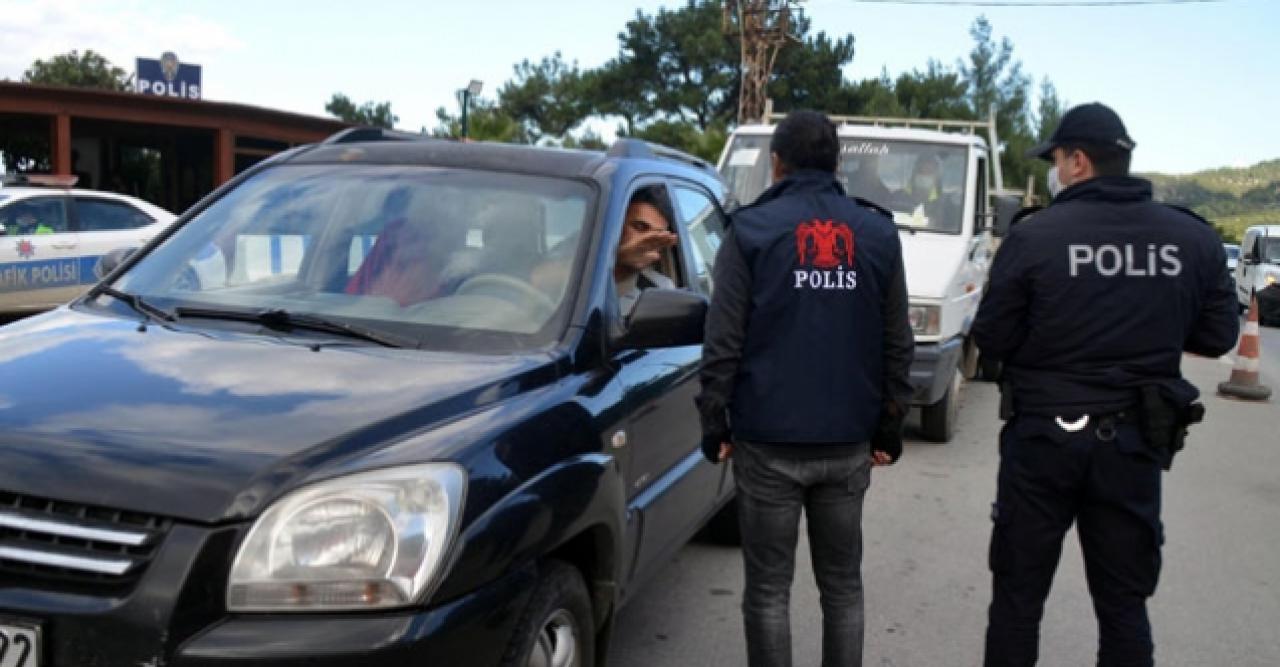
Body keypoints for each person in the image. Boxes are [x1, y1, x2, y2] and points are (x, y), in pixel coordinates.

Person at [973, 102, 1240, 667]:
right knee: (1124, 606)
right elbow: (1218, 335)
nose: (1053, 169)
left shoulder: (1037, 236)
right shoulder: (1190, 239)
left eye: (1055, 158)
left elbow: (993, 339)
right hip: (1135, 442)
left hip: (1043, 439)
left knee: (1018, 601)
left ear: (1077, 161)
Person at [696, 110, 914, 667]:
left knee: (768, 589)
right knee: (843, 586)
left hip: (767, 442)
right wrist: (889, 424)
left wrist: (714, 419)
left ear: (776, 164)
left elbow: (724, 340)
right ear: (837, 162)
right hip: (847, 442)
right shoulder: (876, 233)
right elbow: (897, 341)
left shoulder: (750, 231)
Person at [615, 186, 678, 315]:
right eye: (639, 227)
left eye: (658, 235)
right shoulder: (572, 266)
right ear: (617, 223)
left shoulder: (659, 291)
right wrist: (616, 261)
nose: (647, 239)